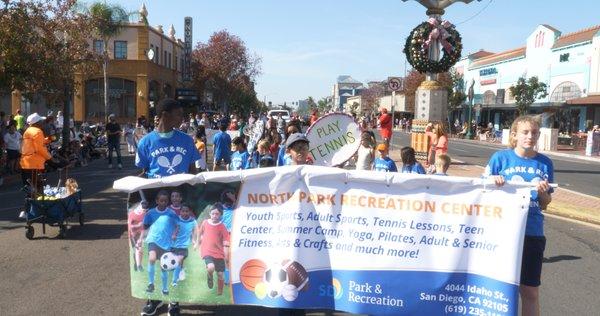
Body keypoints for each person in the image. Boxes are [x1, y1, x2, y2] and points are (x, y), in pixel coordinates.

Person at [484, 115, 553, 316]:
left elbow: (546, 204)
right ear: (514, 134)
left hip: (532, 232)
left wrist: (543, 194)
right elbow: (482, 194)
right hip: (501, 231)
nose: (530, 136)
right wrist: (492, 183)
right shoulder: (500, 159)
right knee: (498, 289)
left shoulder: (545, 164)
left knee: (530, 291)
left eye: (534, 133)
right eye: (525, 132)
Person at [135, 98, 199, 316]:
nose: (182, 119)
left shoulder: (187, 140)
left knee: (176, 248)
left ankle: (174, 298)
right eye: (178, 114)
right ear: (164, 115)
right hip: (156, 204)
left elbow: (192, 172)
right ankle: (153, 299)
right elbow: (142, 174)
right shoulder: (145, 142)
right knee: (154, 248)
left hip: (178, 204)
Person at [19, 113, 53, 211]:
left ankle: (28, 210)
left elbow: (36, 143)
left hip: (25, 163)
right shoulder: (38, 131)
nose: (42, 123)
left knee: (28, 188)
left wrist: (48, 140)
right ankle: (39, 209)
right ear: (37, 123)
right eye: (41, 121)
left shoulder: (28, 131)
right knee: (38, 187)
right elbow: (39, 149)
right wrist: (50, 159)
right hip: (34, 164)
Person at [196, 203, 230, 296]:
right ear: (210, 214)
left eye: (217, 214)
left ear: (220, 215)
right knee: (211, 267)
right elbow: (200, 232)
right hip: (207, 250)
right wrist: (197, 243)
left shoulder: (222, 226)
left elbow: (227, 238)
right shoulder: (205, 222)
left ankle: (219, 293)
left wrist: (227, 246)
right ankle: (210, 275)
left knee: (220, 275)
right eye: (213, 213)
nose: (214, 216)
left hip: (218, 253)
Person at [171, 204, 198, 287]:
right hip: (174, 245)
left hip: (184, 247)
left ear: (190, 212)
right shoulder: (176, 219)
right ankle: (181, 269)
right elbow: (173, 228)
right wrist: (173, 235)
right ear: (180, 212)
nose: (185, 213)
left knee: (179, 260)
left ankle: (174, 281)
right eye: (183, 211)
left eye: (187, 211)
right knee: (176, 263)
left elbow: (194, 231)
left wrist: (193, 240)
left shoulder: (193, 221)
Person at [129, 200, 148, 272]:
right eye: (144, 210)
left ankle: (139, 265)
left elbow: (143, 229)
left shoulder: (144, 215)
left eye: (146, 210)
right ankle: (136, 262)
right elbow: (130, 227)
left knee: (140, 249)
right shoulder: (132, 214)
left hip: (138, 234)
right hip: (131, 234)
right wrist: (138, 225)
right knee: (135, 250)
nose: (144, 211)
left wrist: (140, 238)